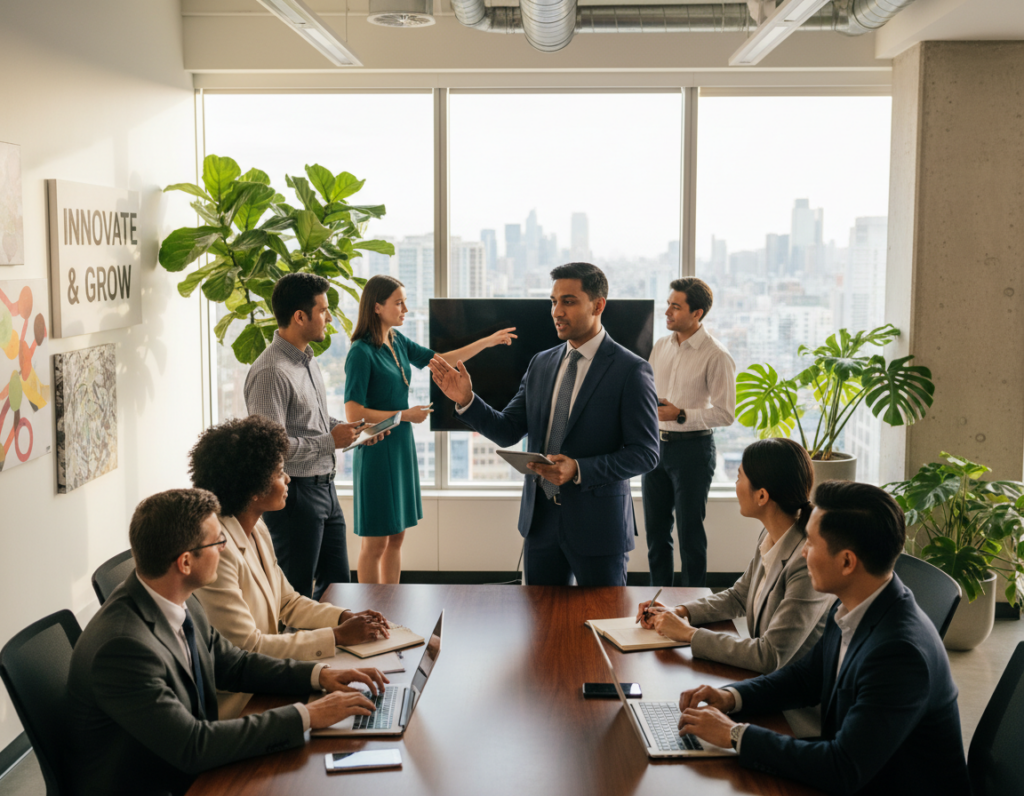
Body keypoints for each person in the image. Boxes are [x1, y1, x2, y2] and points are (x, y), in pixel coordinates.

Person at [68, 489, 389, 796]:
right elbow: (193, 745)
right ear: (185, 562)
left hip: (186, 766)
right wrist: (308, 715)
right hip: (160, 784)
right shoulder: (124, 648)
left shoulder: (176, 596)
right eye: (217, 541)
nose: (224, 548)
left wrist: (319, 675)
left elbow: (232, 663)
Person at [676, 481, 971, 796]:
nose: (802, 551)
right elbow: (806, 678)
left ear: (846, 562)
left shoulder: (899, 654)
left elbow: (842, 768)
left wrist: (735, 735)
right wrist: (731, 697)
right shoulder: (852, 603)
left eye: (811, 543)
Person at [429, 262, 660, 587]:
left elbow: (646, 453)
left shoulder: (631, 370)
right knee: (540, 629)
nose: (557, 311)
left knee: (604, 626)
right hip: (540, 523)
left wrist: (579, 469)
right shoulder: (541, 363)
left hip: (599, 529)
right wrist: (467, 399)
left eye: (568, 301)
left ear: (598, 305)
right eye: (553, 302)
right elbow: (508, 429)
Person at [189, 415, 393, 717]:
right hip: (244, 702)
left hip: (273, 680)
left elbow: (288, 601)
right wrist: (337, 636)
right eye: (280, 472)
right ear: (253, 488)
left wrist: (344, 617)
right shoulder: (218, 552)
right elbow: (248, 648)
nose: (287, 480)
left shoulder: (257, 529)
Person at [344, 274, 517, 584]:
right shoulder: (361, 352)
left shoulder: (396, 342)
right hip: (376, 447)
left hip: (399, 446)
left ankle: (391, 604)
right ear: (377, 307)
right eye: (399, 303)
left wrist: (488, 342)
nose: (405, 309)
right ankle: (369, 609)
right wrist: (405, 415)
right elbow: (353, 411)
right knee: (376, 541)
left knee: (397, 537)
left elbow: (441, 361)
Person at [636, 438, 834, 674]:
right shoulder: (770, 535)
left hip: (788, 701)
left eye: (740, 477)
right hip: (761, 681)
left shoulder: (805, 563)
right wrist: (678, 612)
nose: (735, 483)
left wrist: (689, 634)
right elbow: (739, 597)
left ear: (762, 496)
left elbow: (769, 655)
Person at [244, 272, 379, 600]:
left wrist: (353, 431)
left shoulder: (307, 361)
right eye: (323, 310)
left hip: (325, 491)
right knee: (297, 595)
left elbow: (312, 421)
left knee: (339, 590)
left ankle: (338, 649)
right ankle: (298, 653)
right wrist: (331, 441)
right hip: (295, 497)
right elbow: (272, 449)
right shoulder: (271, 372)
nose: (329, 317)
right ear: (299, 316)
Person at [643, 277, 736, 587]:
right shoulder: (660, 346)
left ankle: (692, 606)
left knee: (690, 536)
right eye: (668, 304)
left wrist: (680, 414)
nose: (667, 311)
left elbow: (725, 414)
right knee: (656, 534)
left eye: (675, 306)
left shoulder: (716, 355)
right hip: (656, 448)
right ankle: (658, 601)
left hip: (693, 452)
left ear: (697, 313)